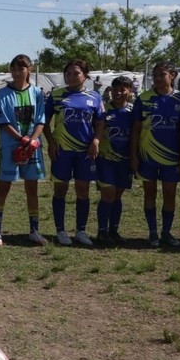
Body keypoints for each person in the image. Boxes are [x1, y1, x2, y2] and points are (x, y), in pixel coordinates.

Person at [43, 60, 105, 246]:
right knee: (60, 189)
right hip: (62, 151)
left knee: (83, 191)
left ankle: (80, 230)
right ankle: (60, 231)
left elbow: (100, 122)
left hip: (84, 152)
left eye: (75, 73)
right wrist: (51, 143)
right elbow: (44, 122)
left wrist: (96, 140)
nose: (71, 77)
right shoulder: (56, 96)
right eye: (68, 74)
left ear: (85, 75)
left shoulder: (94, 97)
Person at [0, 54, 48, 247]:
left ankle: (34, 230)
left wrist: (32, 141)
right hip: (11, 147)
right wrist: (22, 139)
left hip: (32, 148)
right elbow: (3, 121)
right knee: (3, 187)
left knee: (32, 188)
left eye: (21, 68)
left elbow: (41, 120)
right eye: (14, 69)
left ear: (29, 69)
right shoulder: (2, 94)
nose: (17, 72)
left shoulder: (37, 93)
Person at [130, 63, 180, 247]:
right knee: (149, 192)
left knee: (170, 194)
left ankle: (167, 232)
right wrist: (134, 155)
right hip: (147, 157)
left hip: (171, 157)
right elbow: (135, 130)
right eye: (155, 75)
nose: (158, 78)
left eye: (162, 75)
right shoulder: (143, 99)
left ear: (172, 75)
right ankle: (152, 232)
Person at [95, 76, 134, 244]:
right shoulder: (104, 111)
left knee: (117, 196)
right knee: (108, 194)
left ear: (129, 91)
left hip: (124, 160)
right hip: (106, 159)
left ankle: (114, 230)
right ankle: (101, 232)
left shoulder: (133, 112)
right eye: (115, 89)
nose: (118, 93)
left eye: (122, 89)